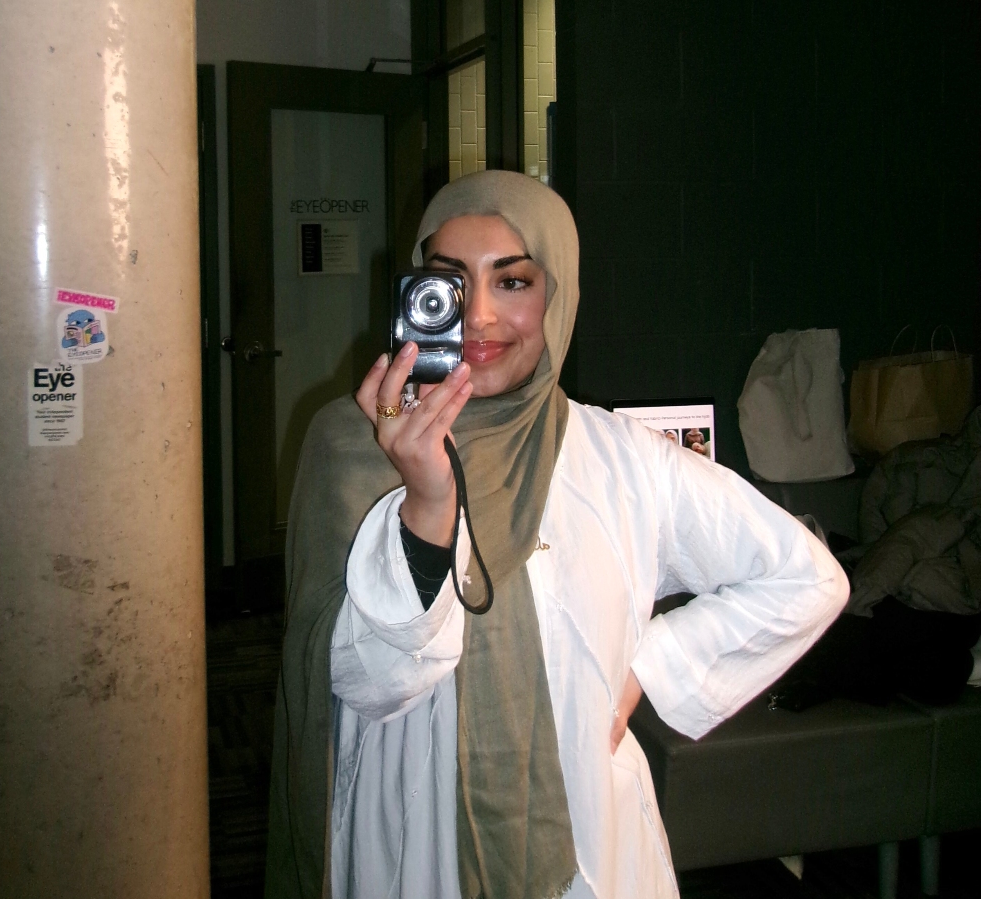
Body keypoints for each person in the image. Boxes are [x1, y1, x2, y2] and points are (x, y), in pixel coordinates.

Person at [264, 171, 849, 899]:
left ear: (558, 295)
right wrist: (427, 504)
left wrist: (650, 671)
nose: (479, 316)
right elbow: (368, 684)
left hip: (582, 831)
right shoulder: (352, 443)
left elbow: (806, 577)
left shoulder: (619, 459)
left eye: (512, 282)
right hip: (409, 832)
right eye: (450, 282)